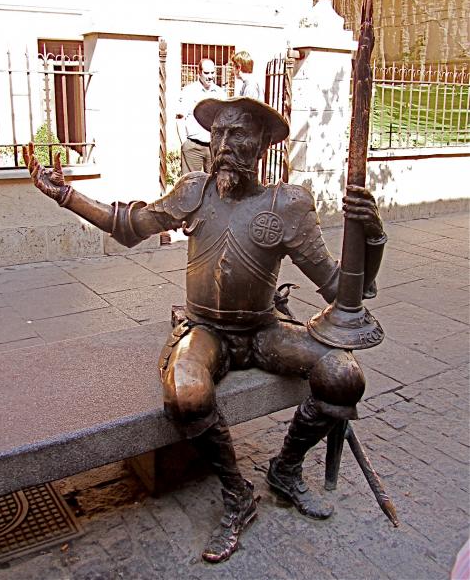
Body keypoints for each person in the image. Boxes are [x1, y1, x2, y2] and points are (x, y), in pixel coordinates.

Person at [23, 97, 387, 565]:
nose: (225, 145)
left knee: (343, 373)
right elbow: (128, 225)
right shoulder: (193, 190)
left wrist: (372, 237)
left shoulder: (287, 204)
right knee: (186, 391)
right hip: (205, 329)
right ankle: (238, 493)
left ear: (262, 143)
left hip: (263, 330)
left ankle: (285, 468)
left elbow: (342, 290)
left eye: (238, 134)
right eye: (218, 134)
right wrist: (66, 195)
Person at [176, 58, 226, 175]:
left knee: (215, 183)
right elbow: (180, 118)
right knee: (191, 182)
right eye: (206, 73)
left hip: (214, 148)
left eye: (212, 72)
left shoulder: (220, 94)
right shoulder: (189, 91)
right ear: (199, 72)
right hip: (193, 146)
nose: (210, 76)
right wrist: (184, 142)